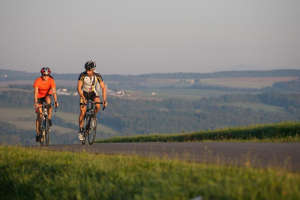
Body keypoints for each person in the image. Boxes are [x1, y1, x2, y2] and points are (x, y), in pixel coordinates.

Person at [77, 60, 107, 141]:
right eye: (86, 69)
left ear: (93, 69)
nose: (87, 71)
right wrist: (82, 97)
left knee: (97, 106)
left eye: (89, 70)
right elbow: (79, 88)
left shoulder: (97, 75)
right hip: (84, 93)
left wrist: (104, 100)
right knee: (82, 112)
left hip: (93, 93)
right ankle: (80, 130)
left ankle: (93, 116)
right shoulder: (82, 75)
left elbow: (103, 87)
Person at [33, 67, 59, 142]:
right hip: (39, 98)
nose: (45, 76)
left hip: (46, 96)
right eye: (44, 75)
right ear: (41, 74)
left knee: (49, 103)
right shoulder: (38, 81)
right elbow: (35, 93)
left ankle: (49, 119)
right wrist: (36, 103)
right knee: (39, 115)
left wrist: (56, 101)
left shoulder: (51, 80)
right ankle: (38, 133)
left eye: (47, 75)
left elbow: (54, 92)